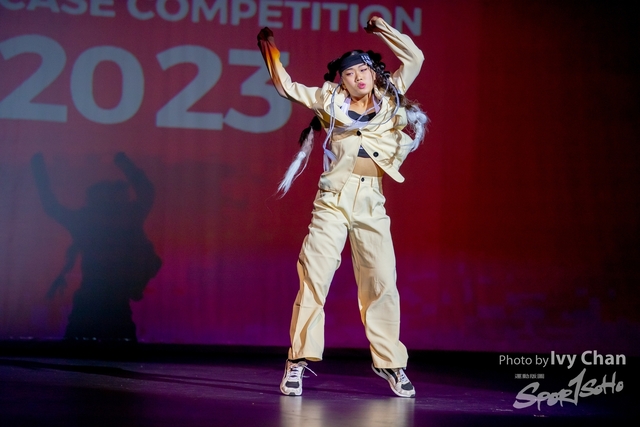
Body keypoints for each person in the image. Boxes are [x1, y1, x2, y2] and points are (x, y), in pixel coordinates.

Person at [257, 16, 427, 398]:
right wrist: (269, 51)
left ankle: (390, 363)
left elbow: (415, 58)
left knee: (381, 281)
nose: (359, 77)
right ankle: (298, 361)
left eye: (363, 70)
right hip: (332, 201)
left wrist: (382, 30)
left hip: (371, 202)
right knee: (314, 276)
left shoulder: (391, 95)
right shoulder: (329, 100)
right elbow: (287, 87)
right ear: (341, 81)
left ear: (373, 72)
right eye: (350, 74)